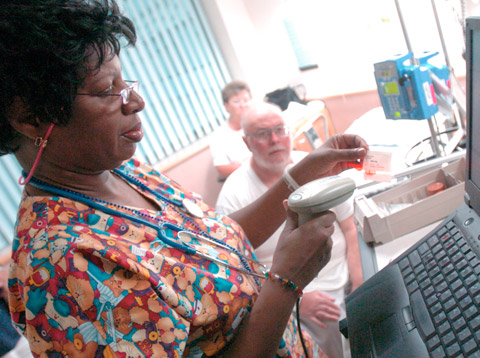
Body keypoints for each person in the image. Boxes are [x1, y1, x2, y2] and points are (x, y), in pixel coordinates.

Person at [0, 1, 368, 357]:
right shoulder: (61, 267)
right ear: (29, 116)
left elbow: (212, 243)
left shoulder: (121, 171)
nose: (136, 101)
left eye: (125, 80)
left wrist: (303, 172)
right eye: (105, 90)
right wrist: (286, 281)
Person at [216, 102, 363, 358]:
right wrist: (296, 301)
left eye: (280, 129)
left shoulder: (314, 166)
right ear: (247, 142)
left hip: (342, 279)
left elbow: (351, 230)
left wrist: (360, 283)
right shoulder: (234, 193)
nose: (274, 140)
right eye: (262, 134)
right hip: (290, 293)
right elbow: (238, 268)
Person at [209, 81, 254, 180]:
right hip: (245, 178)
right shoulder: (218, 136)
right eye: (236, 102)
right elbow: (221, 168)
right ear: (226, 106)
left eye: (246, 100)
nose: (242, 105)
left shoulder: (261, 122)